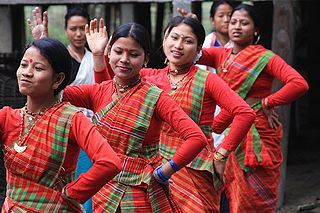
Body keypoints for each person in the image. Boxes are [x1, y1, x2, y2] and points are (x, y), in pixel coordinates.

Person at [90, 16, 256, 212]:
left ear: (199, 48)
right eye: (174, 37)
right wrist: (98, 55)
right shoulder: (148, 77)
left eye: (188, 41)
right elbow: (107, 93)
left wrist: (221, 153)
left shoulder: (207, 80)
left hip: (192, 168)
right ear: (164, 40)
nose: (179, 45)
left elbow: (245, 113)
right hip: (153, 169)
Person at [63, 22, 209, 212]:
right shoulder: (98, 92)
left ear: (145, 59)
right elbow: (53, 91)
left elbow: (196, 138)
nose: (124, 59)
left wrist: (166, 171)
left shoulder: (155, 98)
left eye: (133, 54)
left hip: (141, 194)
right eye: (118, 52)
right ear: (110, 53)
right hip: (104, 192)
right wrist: (45, 51)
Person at [198, 3, 309, 212]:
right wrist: (190, 27)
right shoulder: (219, 55)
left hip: (259, 130)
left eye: (244, 23)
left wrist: (268, 102)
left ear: (256, 29)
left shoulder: (265, 57)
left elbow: (299, 83)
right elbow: (191, 53)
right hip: (228, 128)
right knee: (226, 187)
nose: (237, 26)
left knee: (258, 191)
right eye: (233, 22)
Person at [0, 38, 122, 212]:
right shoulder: (6, 118)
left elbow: (110, 162)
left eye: (37, 68)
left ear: (57, 79)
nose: (26, 72)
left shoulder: (72, 119)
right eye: (23, 65)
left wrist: (73, 192)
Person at [27, 6, 96, 212]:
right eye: (73, 28)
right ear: (65, 30)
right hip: (56, 130)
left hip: (87, 131)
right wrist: (43, 42)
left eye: (83, 28)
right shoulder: (56, 60)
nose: (78, 33)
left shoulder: (96, 59)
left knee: (86, 187)